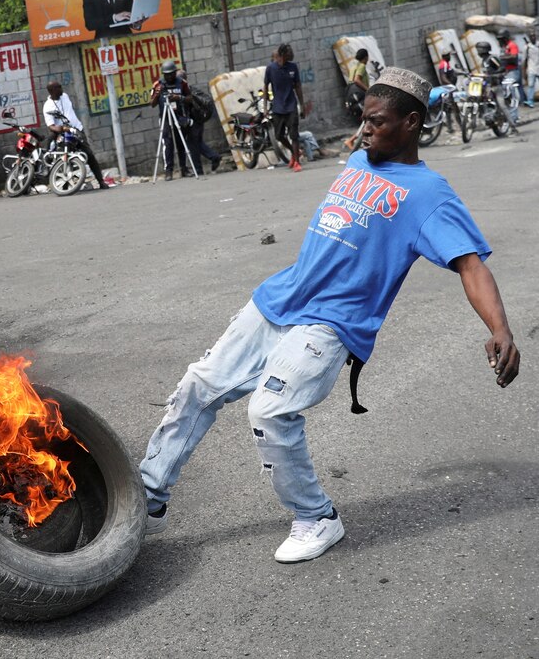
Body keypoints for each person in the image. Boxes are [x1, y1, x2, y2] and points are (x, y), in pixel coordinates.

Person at [140, 67, 520, 563]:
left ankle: (317, 518)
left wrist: (500, 329)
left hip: (332, 323)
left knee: (270, 411)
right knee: (197, 385)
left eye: (377, 122)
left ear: (411, 123)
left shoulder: (430, 195)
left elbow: (470, 264)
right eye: (363, 119)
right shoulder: (361, 158)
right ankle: (145, 499)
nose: (364, 130)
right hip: (280, 298)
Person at [42, 80, 110, 189]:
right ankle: (53, 175)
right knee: (53, 151)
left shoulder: (65, 96)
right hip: (63, 132)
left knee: (89, 155)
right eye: (58, 87)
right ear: (52, 90)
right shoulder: (48, 106)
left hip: (77, 130)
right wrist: (58, 129)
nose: (61, 88)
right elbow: (50, 125)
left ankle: (101, 181)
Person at [263, 44, 305, 172]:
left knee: (294, 135)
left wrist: (302, 105)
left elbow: (297, 86)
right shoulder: (271, 69)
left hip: (291, 106)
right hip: (278, 107)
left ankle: (297, 162)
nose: (292, 54)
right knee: (278, 135)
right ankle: (295, 152)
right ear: (282, 54)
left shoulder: (293, 67)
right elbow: (265, 87)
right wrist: (265, 107)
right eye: (289, 52)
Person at [150, 60, 194, 180]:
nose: (170, 77)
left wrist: (178, 98)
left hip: (178, 116)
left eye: (172, 74)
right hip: (165, 116)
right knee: (168, 143)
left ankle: (184, 168)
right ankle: (168, 171)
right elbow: (152, 104)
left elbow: (190, 98)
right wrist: (157, 95)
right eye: (167, 74)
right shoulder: (158, 84)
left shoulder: (182, 83)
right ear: (164, 74)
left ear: (175, 72)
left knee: (181, 143)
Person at [343, 48, 371, 151]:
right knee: (369, 119)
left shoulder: (352, 67)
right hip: (360, 98)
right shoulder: (362, 66)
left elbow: (351, 82)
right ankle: (351, 140)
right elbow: (357, 80)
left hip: (352, 98)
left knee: (366, 120)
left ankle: (360, 141)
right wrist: (368, 90)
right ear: (366, 57)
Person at [522, 32, 538, 108]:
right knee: (531, 85)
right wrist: (524, 71)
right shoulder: (527, 47)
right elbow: (524, 60)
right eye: (531, 36)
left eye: (534, 36)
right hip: (531, 69)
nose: (533, 38)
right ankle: (530, 101)